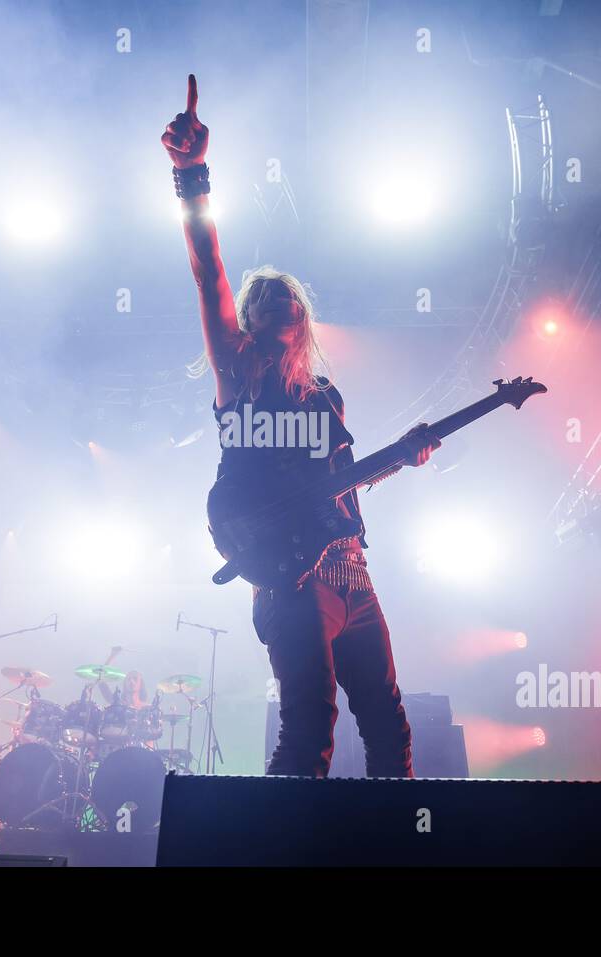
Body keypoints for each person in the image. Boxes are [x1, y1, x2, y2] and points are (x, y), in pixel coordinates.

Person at [162, 75, 439, 778]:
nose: (279, 302)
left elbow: (339, 483)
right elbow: (206, 272)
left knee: (389, 726)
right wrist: (191, 175)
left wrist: (401, 457)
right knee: (309, 724)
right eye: (266, 298)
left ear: (303, 318)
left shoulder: (326, 398)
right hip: (290, 580)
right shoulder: (240, 374)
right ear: (253, 317)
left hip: (353, 570)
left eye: (291, 298)